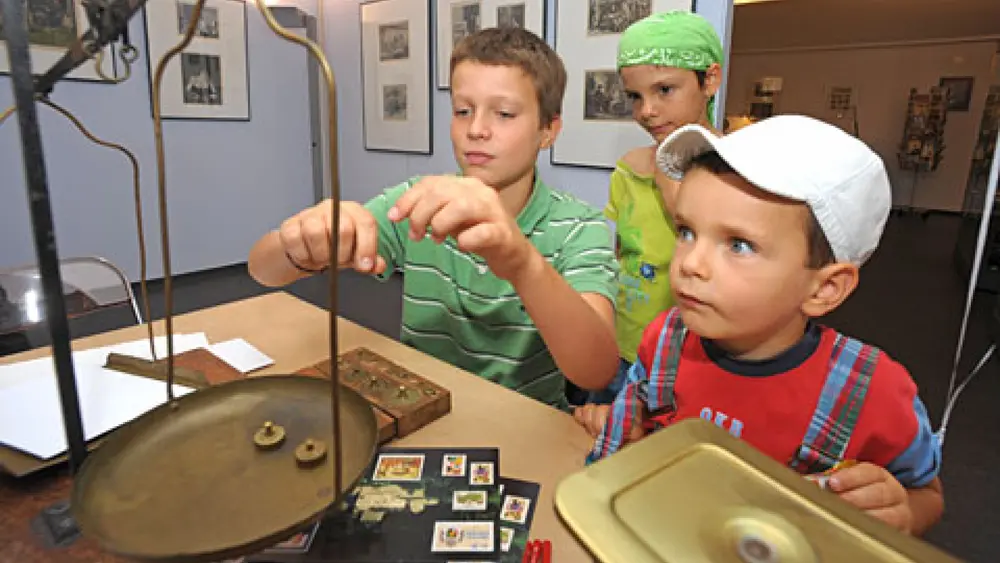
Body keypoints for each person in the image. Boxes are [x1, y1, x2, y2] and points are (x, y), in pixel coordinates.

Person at [576, 115, 944, 535]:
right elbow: (634, 425)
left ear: (824, 289)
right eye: (686, 231)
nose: (690, 263)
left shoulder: (876, 393)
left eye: (739, 245)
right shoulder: (664, 341)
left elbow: (927, 494)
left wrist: (904, 513)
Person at [248, 28, 619, 411]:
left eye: (504, 113)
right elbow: (263, 270)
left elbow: (596, 371)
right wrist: (304, 243)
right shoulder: (420, 200)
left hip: (524, 420)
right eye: (462, 110)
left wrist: (523, 264)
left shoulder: (578, 227)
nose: (476, 129)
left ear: (548, 129)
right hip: (422, 407)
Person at [582, 11, 724, 404]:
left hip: (695, 355)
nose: (647, 110)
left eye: (664, 90)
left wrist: (670, 175)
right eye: (635, 96)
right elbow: (621, 255)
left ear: (709, 80)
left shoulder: (737, 169)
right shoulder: (629, 169)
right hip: (627, 345)